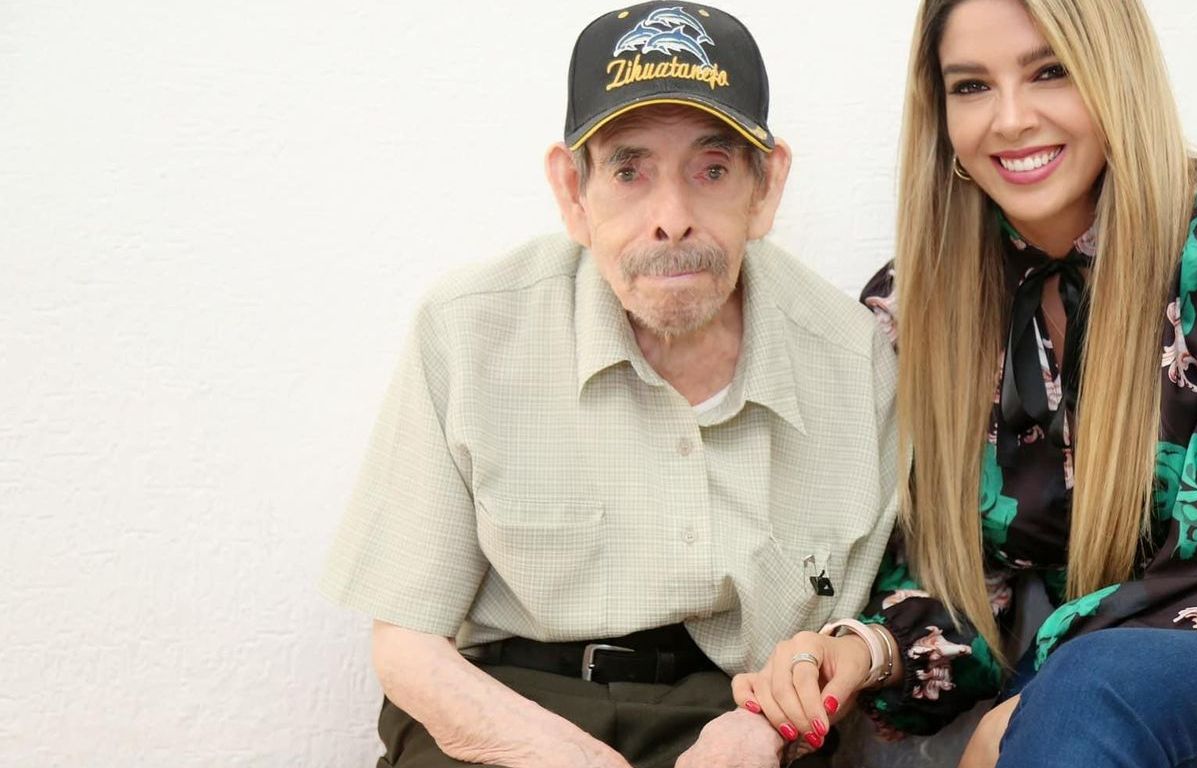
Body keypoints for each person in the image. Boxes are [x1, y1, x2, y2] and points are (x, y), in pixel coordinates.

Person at [734, 0, 1197, 765]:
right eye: (972, 86)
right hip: (1082, 700)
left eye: (1051, 72)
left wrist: (1037, 697)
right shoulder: (918, 307)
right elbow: (967, 591)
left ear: (1114, 74)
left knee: (1087, 689)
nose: (1011, 119)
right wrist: (865, 650)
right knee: (1078, 692)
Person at [319, 4, 898, 766]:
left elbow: (862, 638)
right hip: (506, 707)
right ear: (573, 190)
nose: (672, 219)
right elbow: (405, 645)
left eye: (712, 170)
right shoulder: (467, 330)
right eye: (629, 171)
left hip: (738, 718)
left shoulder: (854, 360)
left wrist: (768, 729)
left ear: (765, 187)